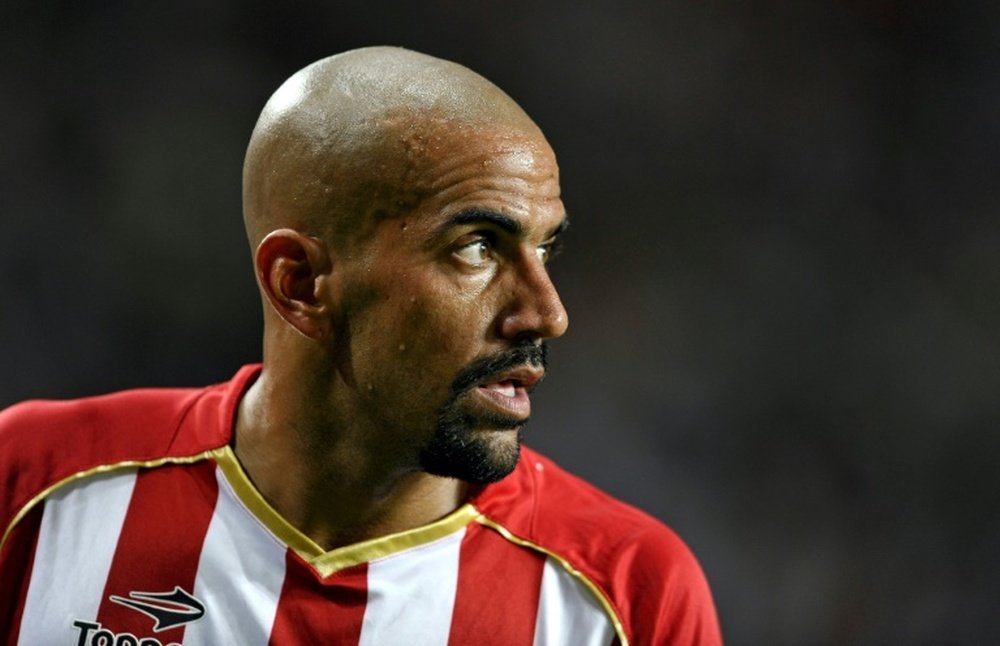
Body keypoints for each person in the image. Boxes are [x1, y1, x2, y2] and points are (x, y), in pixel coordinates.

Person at [0, 47, 722, 645]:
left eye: (545, 249)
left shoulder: (628, 596)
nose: (547, 313)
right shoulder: (30, 487)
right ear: (302, 283)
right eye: (477, 248)